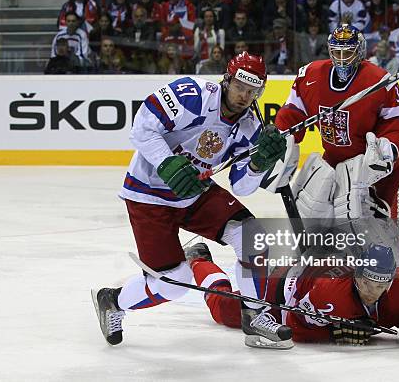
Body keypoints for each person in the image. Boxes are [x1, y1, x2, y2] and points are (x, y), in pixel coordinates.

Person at [92, 52, 293, 350]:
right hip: (149, 194)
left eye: (252, 91)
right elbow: (143, 127)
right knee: (171, 284)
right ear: (227, 80)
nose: (244, 96)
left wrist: (258, 164)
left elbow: (241, 185)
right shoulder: (192, 94)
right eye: (240, 86)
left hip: (193, 191)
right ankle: (112, 300)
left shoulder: (251, 128)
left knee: (251, 235)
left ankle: (254, 313)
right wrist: (167, 163)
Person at [185, 242, 399, 347]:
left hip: (312, 270)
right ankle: (198, 259)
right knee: (223, 307)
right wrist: (331, 332)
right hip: (281, 293)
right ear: (356, 275)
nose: (373, 292)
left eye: (381, 284)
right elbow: (291, 322)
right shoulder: (330, 293)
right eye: (366, 282)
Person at [275, 24, 399, 215]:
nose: (342, 59)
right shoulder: (311, 76)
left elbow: (395, 122)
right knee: (311, 209)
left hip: (369, 166)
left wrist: (389, 147)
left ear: (359, 52)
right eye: (337, 52)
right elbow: (293, 113)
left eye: (348, 53)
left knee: (362, 219)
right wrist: (279, 139)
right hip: (333, 159)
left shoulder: (380, 81)